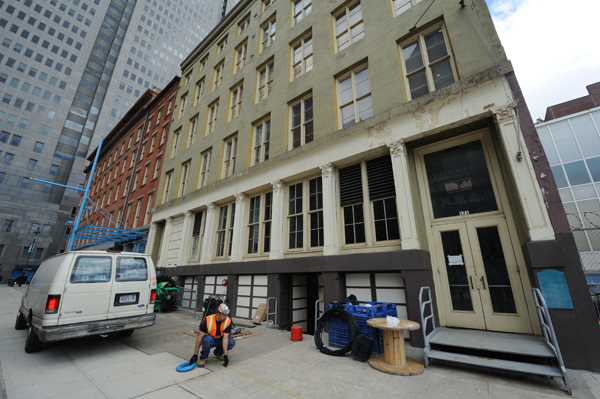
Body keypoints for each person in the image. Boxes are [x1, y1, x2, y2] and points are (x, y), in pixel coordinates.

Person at [189, 303, 235, 367]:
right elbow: (199, 338)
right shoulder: (208, 320)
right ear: (218, 313)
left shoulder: (228, 321)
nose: (226, 317)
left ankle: (218, 353)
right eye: (224, 315)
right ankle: (203, 358)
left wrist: (225, 356)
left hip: (221, 339)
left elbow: (225, 339)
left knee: (231, 342)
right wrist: (195, 354)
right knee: (207, 340)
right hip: (210, 340)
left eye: (227, 315)